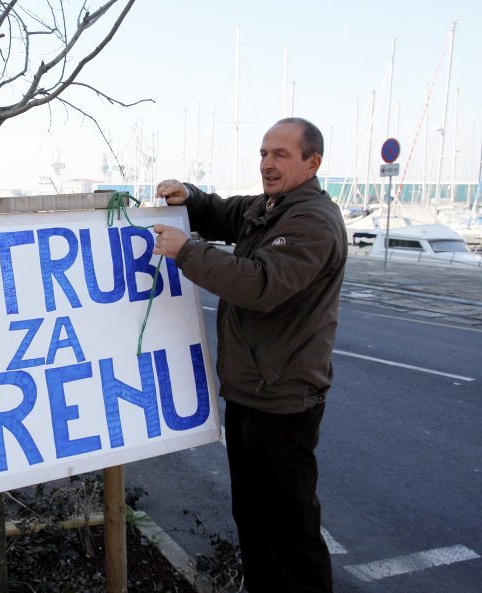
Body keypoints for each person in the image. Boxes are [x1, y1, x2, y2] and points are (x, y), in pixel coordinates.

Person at [152, 117, 345, 593]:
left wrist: (187, 252)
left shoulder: (311, 221)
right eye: (263, 154)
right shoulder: (271, 207)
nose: (267, 164)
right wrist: (190, 197)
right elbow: (222, 213)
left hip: (283, 402)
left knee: (289, 534)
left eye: (280, 155)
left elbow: (258, 284)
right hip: (251, 394)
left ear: (311, 162)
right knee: (256, 523)